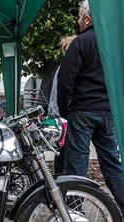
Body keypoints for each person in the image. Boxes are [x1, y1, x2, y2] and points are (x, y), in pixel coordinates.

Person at [57, 0, 124, 222]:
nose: (78, 22)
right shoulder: (118, 43)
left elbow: (65, 80)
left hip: (82, 111)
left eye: (80, 18)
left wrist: (65, 110)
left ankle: (75, 215)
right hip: (108, 112)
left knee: (76, 163)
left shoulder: (81, 42)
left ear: (88, 19)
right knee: (112, 162)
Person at [47, 35, 76, 174]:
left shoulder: (62, 66)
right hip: (64, 115)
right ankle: (63, 178)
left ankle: (61, 178)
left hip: (60, 114)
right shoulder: (66, 67)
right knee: (64, 150)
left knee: (62, 150)